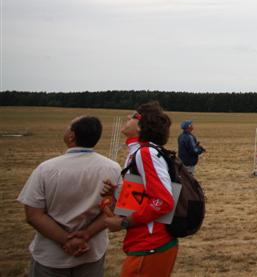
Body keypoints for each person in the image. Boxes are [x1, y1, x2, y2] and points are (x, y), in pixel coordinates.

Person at [17, 116, 121, 277]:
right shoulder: (113, 168)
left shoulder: (46, 169)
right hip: (91, 252)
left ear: (71, 136)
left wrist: (66, 240)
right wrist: (87, 234)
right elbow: (113, 206)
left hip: (51, 256)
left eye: (68, 127)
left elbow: (33, 215)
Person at [103, 101, 178, 277]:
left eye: (133, 116)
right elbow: (144, 195)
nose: (128, 117)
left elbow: (163, 201)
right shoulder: (139, 152)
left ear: (141, 126)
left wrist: (124, 223)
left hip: (150, 244)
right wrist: (118, 194)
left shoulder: (146, 153)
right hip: (145, 244)